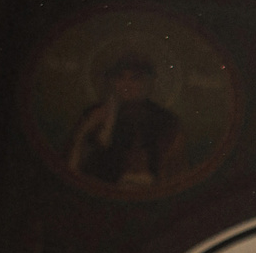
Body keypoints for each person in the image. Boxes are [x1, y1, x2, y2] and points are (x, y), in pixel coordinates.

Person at [68, 55, 183, 190]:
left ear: (148, 83)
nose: (126, 85)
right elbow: (75, 163)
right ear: (112, 82)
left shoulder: (165, 120)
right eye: (120, 78)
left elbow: (174, 167)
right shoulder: (96, 114)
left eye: (135, 79)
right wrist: (89, 129)